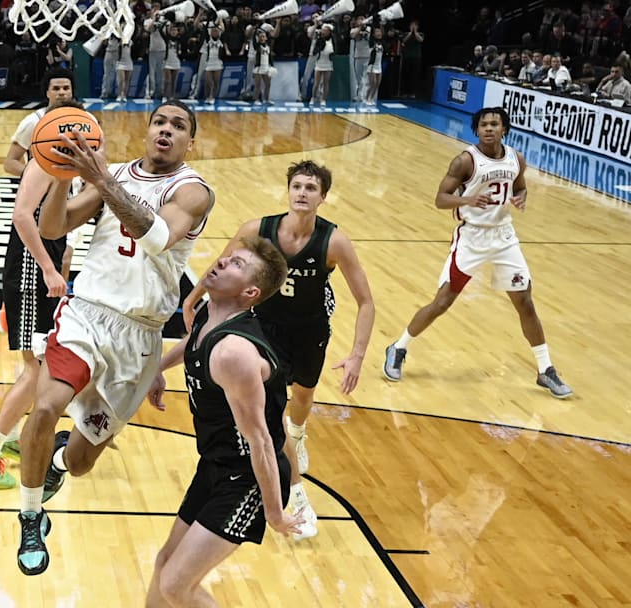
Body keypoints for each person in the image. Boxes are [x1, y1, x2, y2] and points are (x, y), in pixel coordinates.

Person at [16, 100, 214, 576]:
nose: (166, 130)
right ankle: (30, 515)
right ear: (147, 131)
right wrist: (61, 175)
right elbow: (53, 226)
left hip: (139, 336)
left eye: (178, 126)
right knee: (45, 407)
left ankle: (57, 464)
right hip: (86, 313)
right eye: (159, 122)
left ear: (190, 142)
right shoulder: (117, 172)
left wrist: (103, 181)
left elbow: (157, 236)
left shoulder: (193, 191)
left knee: (81, 462)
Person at [184, 160, 375, 541]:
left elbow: (366, 301)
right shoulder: (258, 229)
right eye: (297, 186)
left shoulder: (333, 241)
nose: (302, 193)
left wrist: (356, 354)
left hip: (308, 328)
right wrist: (192, 300)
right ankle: (296, 492)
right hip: (263, 329)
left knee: (303, 396)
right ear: (288, 191)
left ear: (323, 197)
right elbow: (220, 264)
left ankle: (298, 434)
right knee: (271, 415)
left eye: (311, 188)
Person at [145, 236, 304, 608]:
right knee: (165, 562)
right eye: (228, 257)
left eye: (236, 264)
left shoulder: (234, 353)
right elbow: (194, 342)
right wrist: (158, 368)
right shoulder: (209, 311)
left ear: (250, 292)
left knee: (176, 586)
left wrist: (274, 513)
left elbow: (261, 441)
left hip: (248, 479)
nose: (221, 261)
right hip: (216, 464)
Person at [383, 107, 573, 399]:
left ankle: (545, 369)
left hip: (504, 237)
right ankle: (398, 347)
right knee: (442, 302)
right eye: (484, 125)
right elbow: (440, 199)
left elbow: (520, 188)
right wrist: (469, 199)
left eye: (494, 124)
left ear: (504, 129)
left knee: (525, 302)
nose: (489, 129)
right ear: (477, 130)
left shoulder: (516, 158)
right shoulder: (465, 161)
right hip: (472, 237)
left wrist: (520, 199)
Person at [0, 100, 88, 490]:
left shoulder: (69, 167)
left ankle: (9, 436)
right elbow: (22, 216)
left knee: (42, 366)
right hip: (29, 271)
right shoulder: (42, 162)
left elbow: (63, 227)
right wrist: (47, 268)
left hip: (46, 269)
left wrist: (61, 267)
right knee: (36, 368)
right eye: (69, 128)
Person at [2, 67, 75, 177]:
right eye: (56, 88)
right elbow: (10, 163)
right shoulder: (33, 122)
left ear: (72, 92)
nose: (61, 92)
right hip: (44, 185)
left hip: (76, 183)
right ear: (47, 93)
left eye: (66, 88)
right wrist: (37, 178)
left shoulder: (87, 120)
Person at [310, 23, 335, 106]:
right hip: (319, 63)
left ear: (329, 32)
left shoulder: (332, 40)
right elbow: (314, 51)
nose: (324, 32)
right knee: (316, 83)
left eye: (326, 31)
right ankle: (313, 97)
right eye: (323, 30)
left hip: (328, 63)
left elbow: (335, 50)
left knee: (326, 82)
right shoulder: (319, 40)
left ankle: (323, 99)